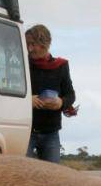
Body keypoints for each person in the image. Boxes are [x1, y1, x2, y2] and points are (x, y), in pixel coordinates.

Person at [25, 24, 76, 163]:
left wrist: (61, 103)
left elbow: (70, 95)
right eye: (27, 43)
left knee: (53, 181)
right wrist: (26, 100)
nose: (29, 48)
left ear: (44, 44)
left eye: (33, 44)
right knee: (22, 177)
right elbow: (10, 90)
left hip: (51, 132)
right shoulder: (22, 64)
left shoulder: (61, 66)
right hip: (26, 131)